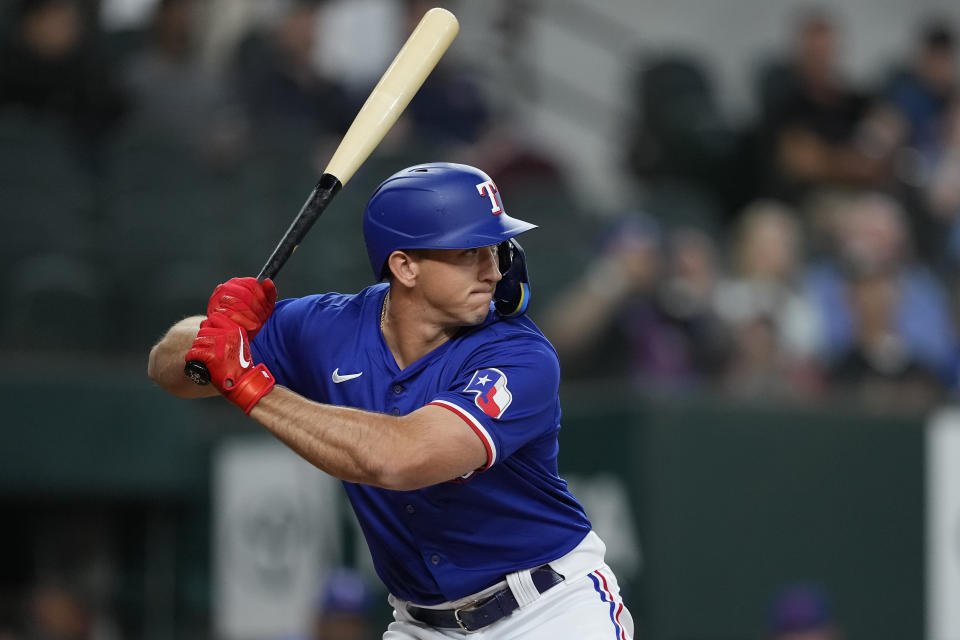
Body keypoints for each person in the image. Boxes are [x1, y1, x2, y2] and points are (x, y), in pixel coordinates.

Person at [147, 163, 634, 639]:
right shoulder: (328, 327)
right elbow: (168, 370)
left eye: (496, 248)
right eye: (469, 252)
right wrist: (216, 331)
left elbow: (403, 459)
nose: (492, 270)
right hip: (420, 622)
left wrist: (251, 387)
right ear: (404, 266)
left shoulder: (519, 352)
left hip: (548, 611)